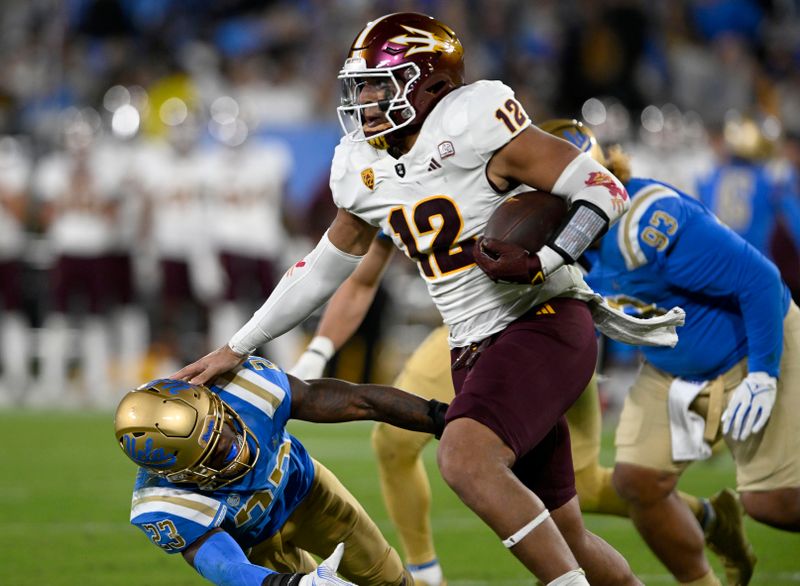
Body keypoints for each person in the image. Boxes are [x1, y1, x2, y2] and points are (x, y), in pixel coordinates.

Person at [174, 12, 650, 585]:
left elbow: (603, 187)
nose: (366, 99)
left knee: (465, 458)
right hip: (471, 345)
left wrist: (547, 259)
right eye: (362, 85)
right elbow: (323, 267)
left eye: (379, 82)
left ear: (432, 83)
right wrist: (239, 345)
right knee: (565, 530)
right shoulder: (360, 163)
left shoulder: (474, 120)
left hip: (541, 319)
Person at [289, 228, 752, 586]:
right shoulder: (388, 176)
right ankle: (705, 516)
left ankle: (426, 572)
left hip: (530, 325)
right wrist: (315, 351)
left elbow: (586, 209)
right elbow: (359, 274)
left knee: (504, 475)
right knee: (569, 497)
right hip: (494, 332)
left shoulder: (485, 145)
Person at [487, 119, 799, 586]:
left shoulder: (645, 221)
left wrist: (764, 374)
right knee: (638, 483)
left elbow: (759, 280)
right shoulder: (563, 248)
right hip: (674, 365)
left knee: (771, 503)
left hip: (753, 345)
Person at [114, 355, 448, 585]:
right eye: (212, 455)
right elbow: (229, 568)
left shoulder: (245, 388)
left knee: (390, 579)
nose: (233, 445)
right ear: (177, 474)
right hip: (256, 544)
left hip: (309, 493)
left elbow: (360, 401)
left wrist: (443, 418)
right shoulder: (163, 503)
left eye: (223, 427)